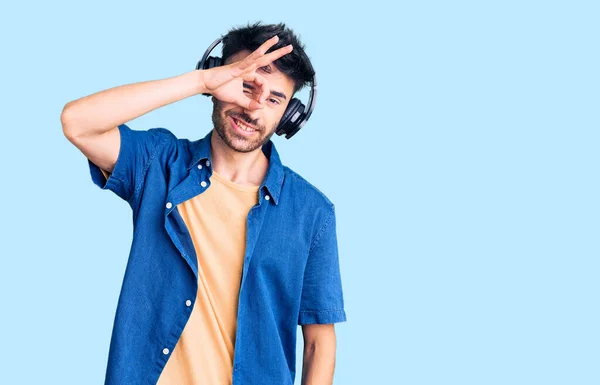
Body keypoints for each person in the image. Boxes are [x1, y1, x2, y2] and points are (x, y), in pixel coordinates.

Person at [61, 22, 347, 385]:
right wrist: (197, 82)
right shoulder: (159, 164)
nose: (253, 106)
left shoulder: (312, 212)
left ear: (290, 116)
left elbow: (319, 342)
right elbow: (77, 123)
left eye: (274, 99)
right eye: (245, 86)